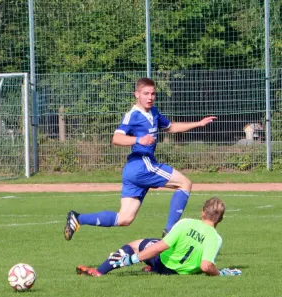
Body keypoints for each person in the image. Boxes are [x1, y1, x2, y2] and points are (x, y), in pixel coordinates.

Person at [64, 77, 217, 241]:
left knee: (125, 218)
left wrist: (198, 124)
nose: (150, 97)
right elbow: (116, 138)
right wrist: (138, 140)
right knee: (185, 183)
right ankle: (170, 232)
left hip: (132, 171)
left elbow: (171, 127)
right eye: (146, 93)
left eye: (153, 94)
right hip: (142, 165)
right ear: (137, 94)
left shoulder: (154, 112)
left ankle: (78, 218)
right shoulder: (133, 116)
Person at [75, 197, 242, 277]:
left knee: (136, 244)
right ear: (221, 218)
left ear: (202, 212)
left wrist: (131, 259)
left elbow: (160, 247)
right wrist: (219, 273)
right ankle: (151, 268)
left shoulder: (186, 223)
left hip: (163, 263)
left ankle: (100, 271)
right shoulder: (216, 238)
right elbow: (206, 266)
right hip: (178, 274)